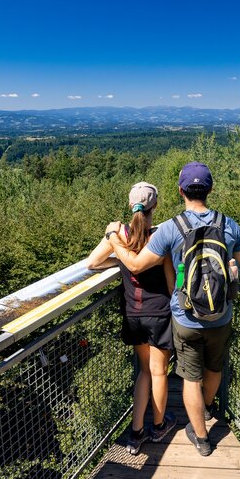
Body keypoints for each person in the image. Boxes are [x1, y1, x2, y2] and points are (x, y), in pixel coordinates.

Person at [106, 162, 240, 456]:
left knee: (190, 376)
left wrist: (113, 236)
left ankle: (201, 438)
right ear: (210, 189)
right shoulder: (229, 224)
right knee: (214, 367)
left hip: (185, 317)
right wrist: (235, 264)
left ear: (180, 191)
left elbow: (135, 264)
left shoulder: (171, 229)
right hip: (221, 315)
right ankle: (209, 406)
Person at [87, 182, 177, 454]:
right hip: (159, 313)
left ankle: (135, 433)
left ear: (130, 206)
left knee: (143, 372)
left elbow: (92, 262)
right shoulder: (160, 237)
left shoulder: (120, 234)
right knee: (159, 372)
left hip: (133, 313)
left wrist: (120, 257)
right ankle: (159, 426)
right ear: (155, 207)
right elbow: (172, 285)